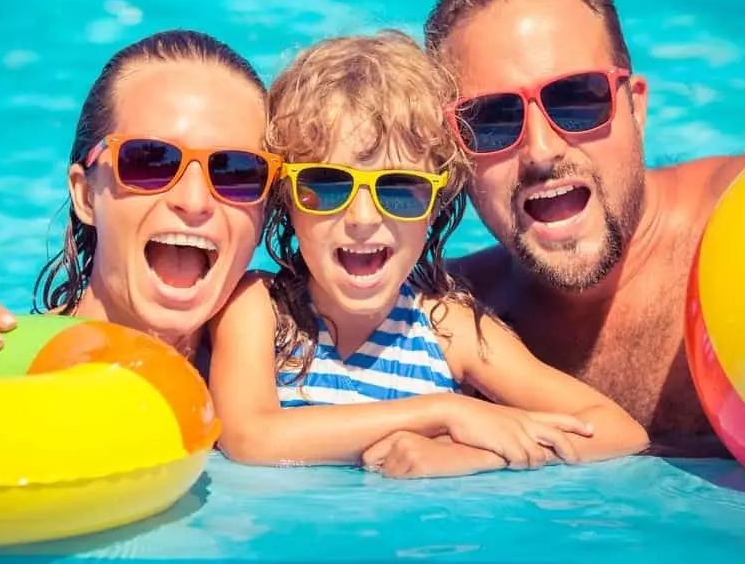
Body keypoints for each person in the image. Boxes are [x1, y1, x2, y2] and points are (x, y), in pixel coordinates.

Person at [207, 30, 648, 479]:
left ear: (436, 205)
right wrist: (443, 412)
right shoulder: (259, 309)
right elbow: (251, 438)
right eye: (327, 185)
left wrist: (477, 456)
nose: (362, 217)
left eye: (399, 190)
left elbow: (618, 430)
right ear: (287, 199)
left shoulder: (446, 328)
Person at [422, 0, 745, 453]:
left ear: (636, 107)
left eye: (576, 99)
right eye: (489, 120)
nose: (541, 150)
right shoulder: (443, 318)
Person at [0, 29, 278, 376]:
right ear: (85, 194)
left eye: (237, 172)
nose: (193, 200)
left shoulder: (295, 393)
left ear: (264, 213)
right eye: (150, 160)